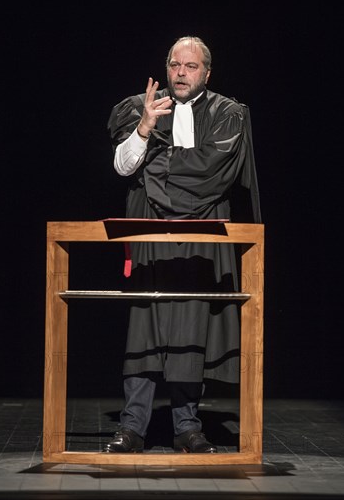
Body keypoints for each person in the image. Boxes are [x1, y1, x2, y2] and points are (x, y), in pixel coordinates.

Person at [104, 36, 261, 454]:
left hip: (201, 237)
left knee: (192, 325)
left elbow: (213, 174)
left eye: (190, 66)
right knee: (144, 326)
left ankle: (187, 427)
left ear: (206, 73)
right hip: (149, 233)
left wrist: (157, 167)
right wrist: (144, 131)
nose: (180, 73)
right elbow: (123, 166)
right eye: (175, 64)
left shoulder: (228, 114)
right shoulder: (140, 107)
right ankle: (133, 425)